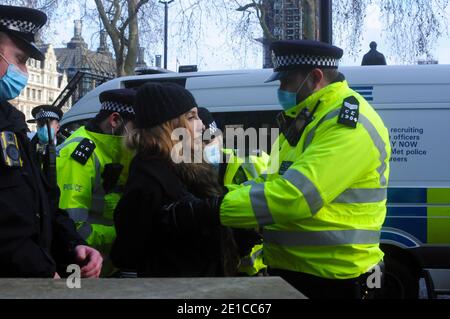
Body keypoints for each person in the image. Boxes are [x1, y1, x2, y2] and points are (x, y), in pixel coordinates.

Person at [218, 40, 391, 298]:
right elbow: (267, 183)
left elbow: (295, 197)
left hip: (335, 281)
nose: (280, 90)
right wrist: (219, 195)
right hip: (298, 274)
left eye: (285, 82)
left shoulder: (347, 124)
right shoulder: (305, 120)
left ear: (316, 78)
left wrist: (215, 209)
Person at [0, 5, 102, 278]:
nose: (23, 72)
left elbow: (43, 204)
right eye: (19, 59)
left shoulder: (11, 121)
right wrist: (44, 273)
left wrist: (74, 245)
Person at [111, 82, 239, 277]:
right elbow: (129, 255)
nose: (202, 125)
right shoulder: (148, 181)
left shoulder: (188, 167)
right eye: (191, 116)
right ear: (167, 126)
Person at [56, 88, 136, 275]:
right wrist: (123, 234)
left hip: (107, 265)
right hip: (83, 267)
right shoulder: (78, 153)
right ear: (115, 120)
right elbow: (73, 225)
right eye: (137, 128)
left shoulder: (117, 148)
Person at [197, 107, 267, 276]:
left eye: (211, 139)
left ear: (220, 137)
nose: (208, 146)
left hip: (254, 270)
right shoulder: (186, 172)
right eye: (201, 142)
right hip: (214, 268)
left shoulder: (252, 161)